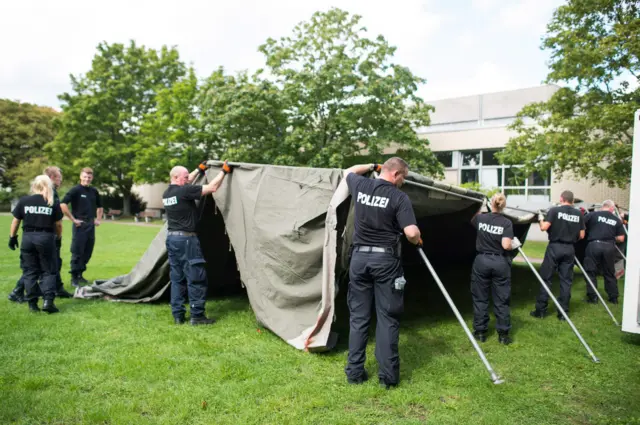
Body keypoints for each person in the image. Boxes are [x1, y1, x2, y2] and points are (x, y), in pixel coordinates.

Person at [343, 157, 422, 390]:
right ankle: (387, 377)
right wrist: (417, 236)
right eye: (403, 178)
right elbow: (410, 232)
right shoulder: (399, 197)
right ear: (396, 174)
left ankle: (354, 372)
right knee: (387, 318)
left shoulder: (362, 185)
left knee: (358, 318)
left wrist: (371, 166)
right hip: (385, 260)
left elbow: (347, 170)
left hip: (359, 259)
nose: (403, 182)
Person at [163, 160, 232, 325]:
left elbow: (187, 180)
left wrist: (198, 170)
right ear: (176, 177)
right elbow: (212, 188)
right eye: (186, 177)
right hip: (187, 240)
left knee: (177, 278)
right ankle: (197, 316)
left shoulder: (168, 193)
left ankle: (178, 315)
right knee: (196, 277)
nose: (189, 179)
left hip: (172, 239)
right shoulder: (184, 191)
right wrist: (224, 171)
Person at [7, 166, 73, 302]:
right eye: (59, 177)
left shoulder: (27, 199)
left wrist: (12, 237)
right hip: (48, 236)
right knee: (44, 266)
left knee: (37, 266)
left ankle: (55, 288)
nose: (61, 180)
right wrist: (58, 238)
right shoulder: (50, 195)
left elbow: (16, 221)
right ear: (52, 178)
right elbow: (58, 222)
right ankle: (19, 291)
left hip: (29, 237)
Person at [470, 193, 520, 345]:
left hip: (482, 260)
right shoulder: (506, 223)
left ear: (491, 203)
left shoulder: (481, 218)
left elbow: (473, 219)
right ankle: (503, 334)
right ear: (504, 205)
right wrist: (514, 244)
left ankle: (480, 332)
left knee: (480, 297)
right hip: (500, 261)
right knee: (501, 299)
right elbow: (506, 245)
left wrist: (481, 207)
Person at [530, 190, 585, 320]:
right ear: (572, 200)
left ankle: (541, 310)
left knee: (546, 278)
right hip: (570, 249)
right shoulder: (579, 214)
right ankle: (563, 313)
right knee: (566, 281)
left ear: (561, 199)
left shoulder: (554, 211)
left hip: (555, 247)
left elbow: (544, 227)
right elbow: (582, 235)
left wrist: (540, 218)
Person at [60, 167, 103, 287]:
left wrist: (98, 219)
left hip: (91, 225)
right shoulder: (75, 190)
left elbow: (100, 206)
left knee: (88, 251)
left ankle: (80, 274)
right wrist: (73, 219)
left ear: (92, 178)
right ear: (80, 177)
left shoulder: (94, 191)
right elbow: (63, 204)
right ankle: (74, 277)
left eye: (89, 177)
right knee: (77, 251)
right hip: (80, 225)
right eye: (85, 176)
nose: (87, 179)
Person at [583, 200, 625, 304]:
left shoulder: (592, 215)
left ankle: (593, 297)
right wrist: (609, 238)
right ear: (612, 208)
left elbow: (581, 226)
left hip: (594, 244)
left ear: (603, 207)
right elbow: (621, 238)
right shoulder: (616, 220)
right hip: (609, 247)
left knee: (590, 271)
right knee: (609, 272)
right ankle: (613, 297)